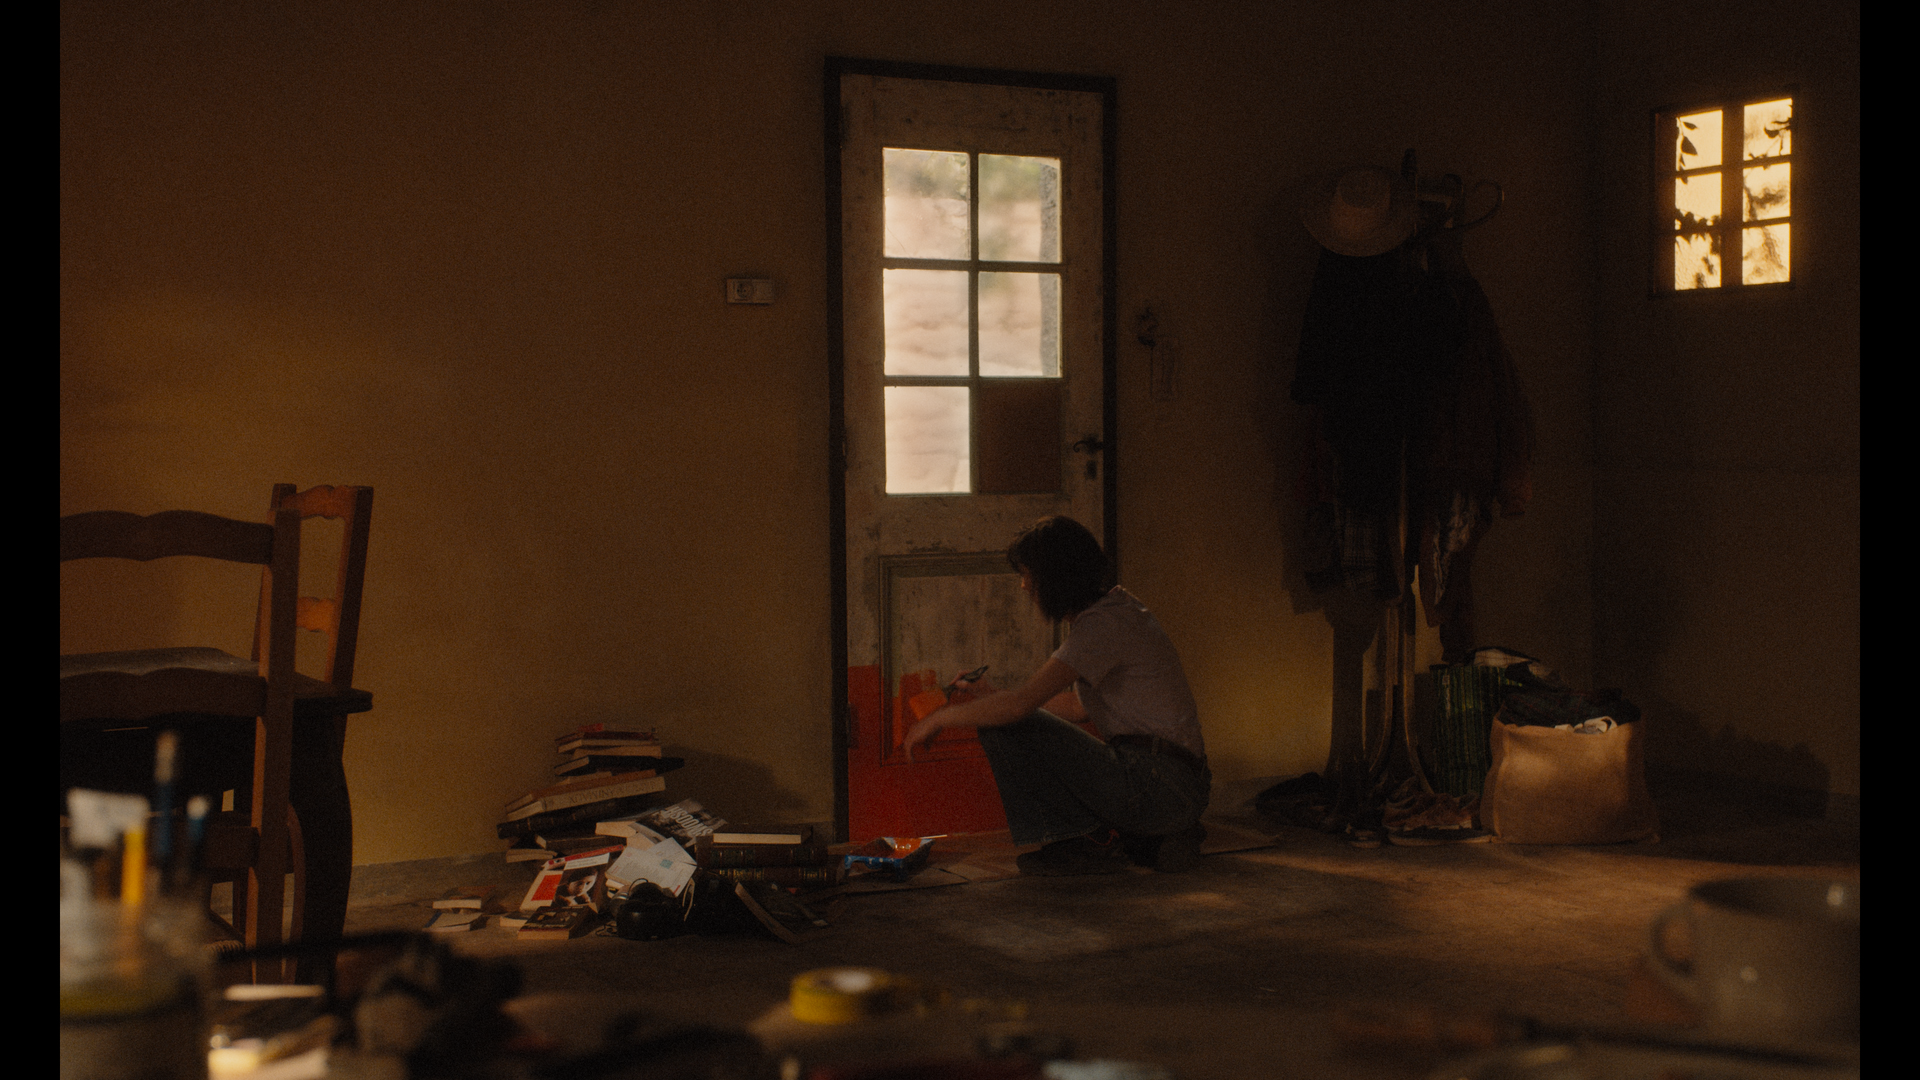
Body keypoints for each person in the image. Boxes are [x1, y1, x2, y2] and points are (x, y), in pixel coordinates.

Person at [904, 516, 1210, 876]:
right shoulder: (1115, 611)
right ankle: (1149, 838)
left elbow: (1020, 707)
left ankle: (1084, 842)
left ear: (1053, 578)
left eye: (1027, 575)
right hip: (1173, 784)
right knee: (1006, 717)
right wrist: (992, 696)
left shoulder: (1103, 625)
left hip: (1161, 783)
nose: (1023, 586)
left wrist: (938, 718)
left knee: (1002, 726)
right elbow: (1078, 707)